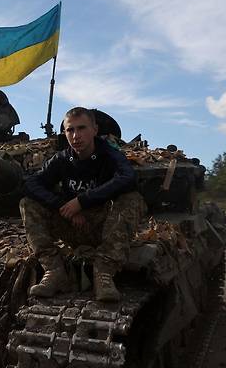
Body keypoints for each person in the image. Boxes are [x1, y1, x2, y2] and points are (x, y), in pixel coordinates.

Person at [20, 107, 146, 301]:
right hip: (72, 225)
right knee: (28, 203)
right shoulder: (62, 159)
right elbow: (31, 184)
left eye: (82, 128)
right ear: (65, 133)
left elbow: (128, 177)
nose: (76, 135)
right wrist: (64, 206)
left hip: (105, 229)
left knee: (132, 199)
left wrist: (82, 200)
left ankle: (103, 272)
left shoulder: (110, 155)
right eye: (70, 130)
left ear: (95, 129)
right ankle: (54, 270)